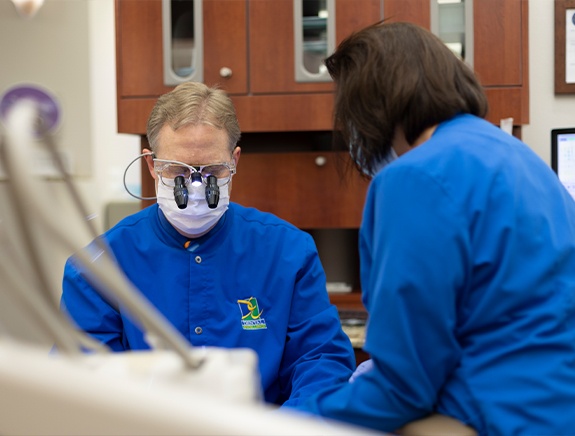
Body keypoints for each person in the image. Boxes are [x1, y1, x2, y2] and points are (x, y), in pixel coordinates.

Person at [299, 21, 575, 435]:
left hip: (501, 417)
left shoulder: (415, 177)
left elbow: (404, 386)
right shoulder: (520, 158)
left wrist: (290, 420)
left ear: (373, 105)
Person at [61, 81, 355, 408]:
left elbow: (320, 362)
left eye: (212, 171)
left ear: (235, 161)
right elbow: (82, 382)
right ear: (151, 165)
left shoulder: (287, 252)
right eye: (178, 171)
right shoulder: (97, 267)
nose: (196, 189)